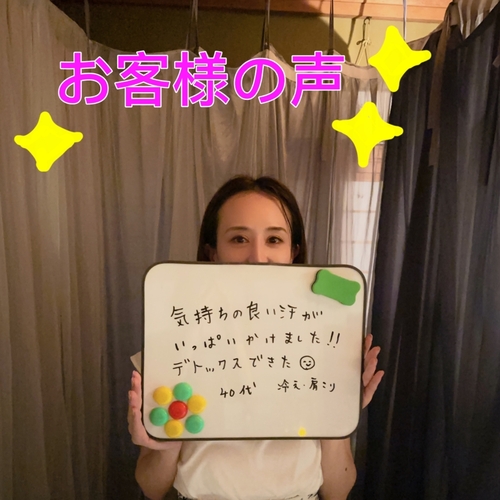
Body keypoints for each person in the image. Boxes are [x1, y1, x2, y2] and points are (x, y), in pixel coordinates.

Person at [128, 176, 384, 500]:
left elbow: (338, 491)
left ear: (293, 252)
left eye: (274, 239)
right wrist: (165, 446)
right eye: (239, 239)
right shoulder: (173, 344)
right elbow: (152, 488)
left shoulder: (326, 346)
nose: (258, 257)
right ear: (212, 252)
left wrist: (334, 412)